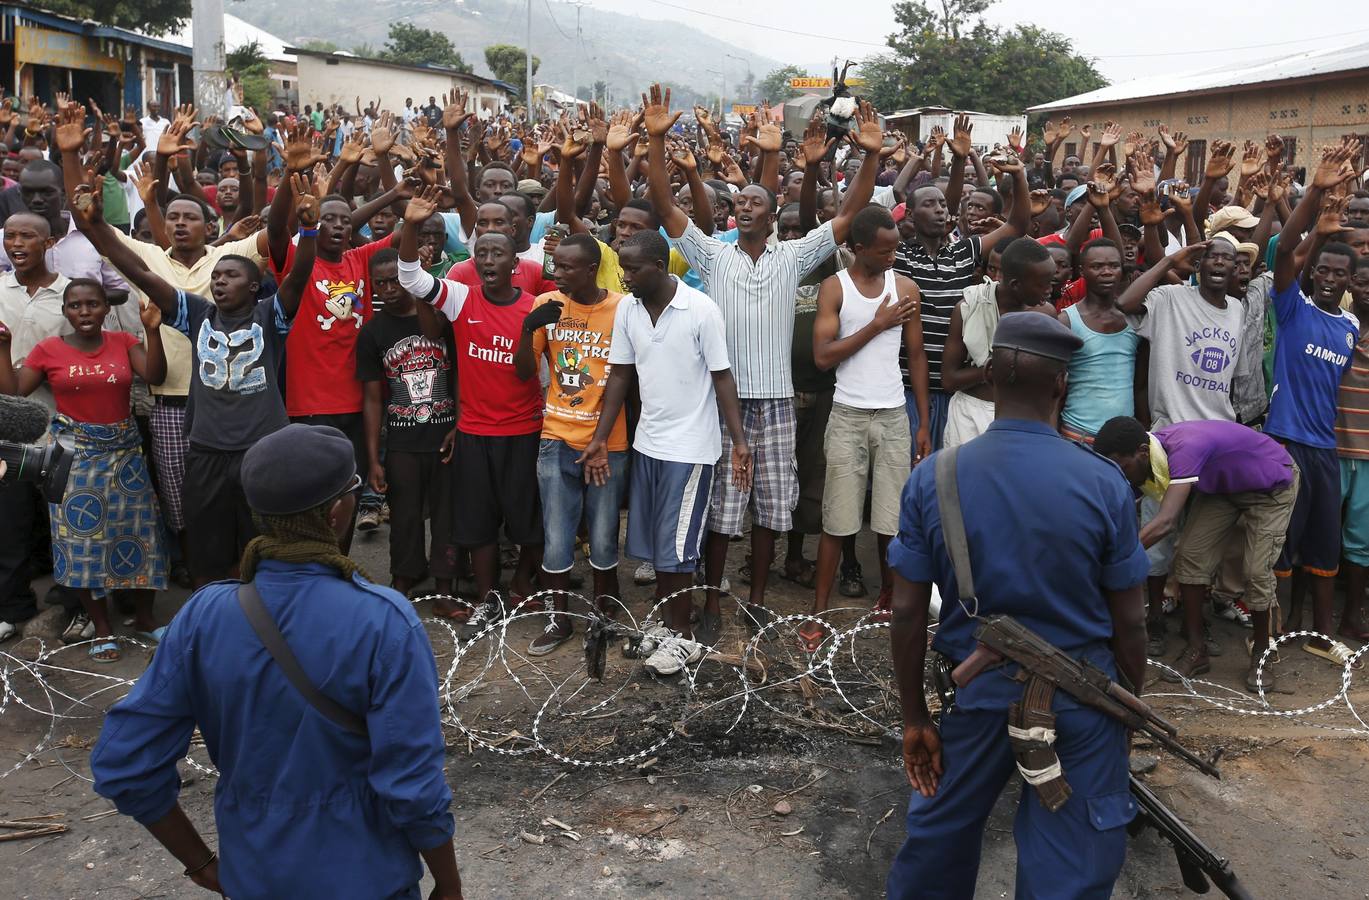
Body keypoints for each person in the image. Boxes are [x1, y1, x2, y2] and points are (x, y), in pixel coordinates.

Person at [89, 423, 464, 900]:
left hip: (254, 878)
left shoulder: (204, 615)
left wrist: (202, 864)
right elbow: (412, 786)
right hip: (368, 878)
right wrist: (449, 884)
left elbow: (125, 763)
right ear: (336, 513)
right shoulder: (383, 620)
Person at [886, 312, 1148, 899]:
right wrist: (1128, 705)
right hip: (1083, 700)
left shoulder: (934, 477)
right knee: (1072, 865)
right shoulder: (1104, 481)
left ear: (991, 382)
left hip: (976, 695)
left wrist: (914, 719)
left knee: (938, 842)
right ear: (1061, 385)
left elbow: (906, 613)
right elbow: (1131, 619)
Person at [646, 85, 880, 633]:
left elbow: (847, 217)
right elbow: (664, 206)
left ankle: (755, 595)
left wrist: (870, 155)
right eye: (738, 203)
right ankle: (711, 600)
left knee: (772, 506)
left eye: (755, 202)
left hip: (775, 402)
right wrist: (656, 144)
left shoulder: (795, 257)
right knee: (724, 509)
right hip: (722, 403)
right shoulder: (714, 254)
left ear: (773, 213)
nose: (743, 208)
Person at [74, 173, 320, 587]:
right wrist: (95, 225)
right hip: (206, 451)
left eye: (231, 275)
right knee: (208, 545)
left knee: (262, 542)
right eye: (217, 276)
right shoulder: (196, 315)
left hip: (260, 449)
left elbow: (298, 276)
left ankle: (265, 613)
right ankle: (214, 615)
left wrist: (309, 229)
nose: (220, 281)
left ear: (255, 286)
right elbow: (137, 269)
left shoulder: (269, 316)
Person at [577, 230, 750, 675]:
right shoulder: (629, 311)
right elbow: (619, 376)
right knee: (658, 549)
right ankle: (671, 625)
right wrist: (600, 435)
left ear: (659, 266)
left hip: (691, 449)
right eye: (623, 268)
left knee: (678, 549)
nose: (625, 276)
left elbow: (722, 377)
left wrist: (740, 443)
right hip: (649, 443)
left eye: (633, 269)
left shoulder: (700, 309)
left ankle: (684, 639)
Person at [397, 187, 544, 639]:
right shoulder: (462, 299)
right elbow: (411, 279)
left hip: (524, 431)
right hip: (475, 433)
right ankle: (488, 599)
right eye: (482, 253)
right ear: (474, 261)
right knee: (477, 524)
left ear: (514, 260)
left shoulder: (535, 306)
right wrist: (408, 226)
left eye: (498, 253)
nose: (489, 260)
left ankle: (521, 584)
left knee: (528, 522)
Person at [0, 279, 168, 663]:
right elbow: (15, 393)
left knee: (140, 535)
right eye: (75, 306)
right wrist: (5, 347)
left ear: (105, 308)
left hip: (126, 456)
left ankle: (144, 619)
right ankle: (103, 630)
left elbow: (155, 375)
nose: (85, 312)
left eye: (92, 304)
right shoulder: (49, 350)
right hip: (75, 459)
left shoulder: (123, 342)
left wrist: (152, 330)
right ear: (65, 312)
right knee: (81, 544)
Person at [802, 205, 928, 648]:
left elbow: (915, 358)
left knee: (892, 521)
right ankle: (818, 613)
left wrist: (923, 422)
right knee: (838, 520)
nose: (894, 255)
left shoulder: (905, 287)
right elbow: (823, 356)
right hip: (848, 415)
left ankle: (890, 601)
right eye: (884, 249)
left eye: (896, 247)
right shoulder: (834, 289)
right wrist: (876, 325)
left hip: (894, 414)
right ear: (857, 248)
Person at [1116, 237, 1245, 668]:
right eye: (1213, 257)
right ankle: (1154, 620)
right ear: (1199, 264)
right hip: (1168, 439)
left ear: (1236, 269)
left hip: (1217, 443)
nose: (1220, 264)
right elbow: (1126, 301)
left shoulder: (1239, 311)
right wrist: (1171, 259)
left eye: (1229, 259)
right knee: (1157, 541)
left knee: (1202, 542)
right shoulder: (1171, 298)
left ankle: (1197, 622)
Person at [1096, 416, 1298, 690]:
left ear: (1143, 452)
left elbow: (1165, 522)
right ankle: (1196, 649)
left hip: (1271, 486)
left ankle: (1261, 652)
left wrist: (1113, 558)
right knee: (1191, 556)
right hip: (1224, 488)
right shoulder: (1152, 449)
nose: (1122, 475)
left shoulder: (1185, 449)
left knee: (1255, 572)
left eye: (1123, 467)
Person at [1265, 140, 1362, 666]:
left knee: (1324, 545)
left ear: (1350, 282)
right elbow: (1281, 253)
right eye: (1321, 271)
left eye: (1338, 275)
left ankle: (1323, 637)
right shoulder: (1292, 308)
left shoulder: (1348, 328)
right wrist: (1316, 195)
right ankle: (1273, 635)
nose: (1328, 279)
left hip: (1325, 450)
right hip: (1284, 443)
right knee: (1280, 546)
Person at [513, 233, 626, 655]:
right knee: (558, 533)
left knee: (602, 531)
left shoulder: (620, 308)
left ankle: (603, 610)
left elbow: (624, 377)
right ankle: (558, 617)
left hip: (608, 442)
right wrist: (528, 330)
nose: (556, 273)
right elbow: (524, 372)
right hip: (556, 437)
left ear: (590, 268)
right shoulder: (546, 306)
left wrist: (600, 441)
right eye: (554, 265)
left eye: (566, 267)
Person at [893, 116, 1031, 453]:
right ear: (910, 216)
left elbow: (1017, 225)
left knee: (950, 473)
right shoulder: (899, 258)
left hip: (959, 390)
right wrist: (950, 160)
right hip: (910, 389)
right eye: (929, 204)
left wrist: (1019, 175)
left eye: (943, 205)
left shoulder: (964, 251)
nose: (940, 210)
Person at [356, 249, 458, 604]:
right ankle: (403, 580)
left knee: (447, 515)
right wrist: (373, 459)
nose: (388, 288)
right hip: (401, 440)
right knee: (404, 517)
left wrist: (460, 423)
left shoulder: (441, 320)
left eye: (395, 280)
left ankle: (446, 586)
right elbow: (372, 399)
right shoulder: (373, 333)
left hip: (446, 434)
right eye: (379, 283)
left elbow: (463, 377)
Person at [940, 237, 1058, 448]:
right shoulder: (969, 308)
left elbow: (1052, 385)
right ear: (1015, 284)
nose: (1050, 290)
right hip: (970, 415)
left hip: (1025, 416)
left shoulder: (1045, 314)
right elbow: (949, 380)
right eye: (1043, 284)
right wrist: (997, 368)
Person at [1058, 239, 1140, 442]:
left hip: (1123, 442)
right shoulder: (1067, 320)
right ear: (1082, 271)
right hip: (1077, 436)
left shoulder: (1135, 321)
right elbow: (1055, 387)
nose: (1106, 272)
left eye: (1113, 266)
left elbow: (1141, 385)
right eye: (1097, 266)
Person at [1337, 255, 1369, 638]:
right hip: (1330, 445)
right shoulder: (1337, 326)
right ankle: (1306, 616)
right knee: (1321, 532)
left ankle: (1351, 614)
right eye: (1361, 282)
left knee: (1360, 539)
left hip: (1367, 452)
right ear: (1351, 285)